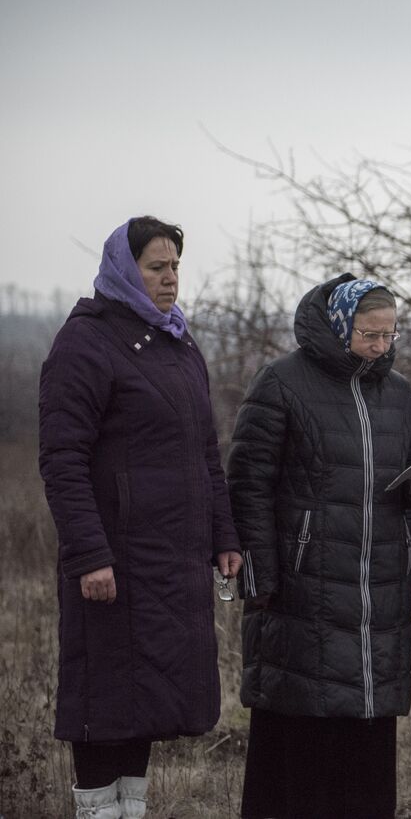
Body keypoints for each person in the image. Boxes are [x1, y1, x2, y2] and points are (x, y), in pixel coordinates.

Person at [39, 216, 243, 819]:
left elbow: (206, 453)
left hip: (170, 562)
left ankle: (133, 811)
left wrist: (223, 536)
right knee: (104, 702)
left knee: (147, 702)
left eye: (176, 266)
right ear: (126, 271)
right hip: (114, 563)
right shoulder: (86, 342)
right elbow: (61, 458)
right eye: (157, 268)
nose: (170, 279)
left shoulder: (177, 343)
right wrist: (90, 555)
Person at [226, 275, 411, 819]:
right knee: (299, 741)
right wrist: (261, 578)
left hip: (378, 596)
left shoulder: (397, 394)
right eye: (369, 335)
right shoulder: (281, 382)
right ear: (340, 326)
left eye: (389, 335)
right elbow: (248, 483)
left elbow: (409, 481)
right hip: (304, 594)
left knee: (367, 746)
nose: (381, 347)